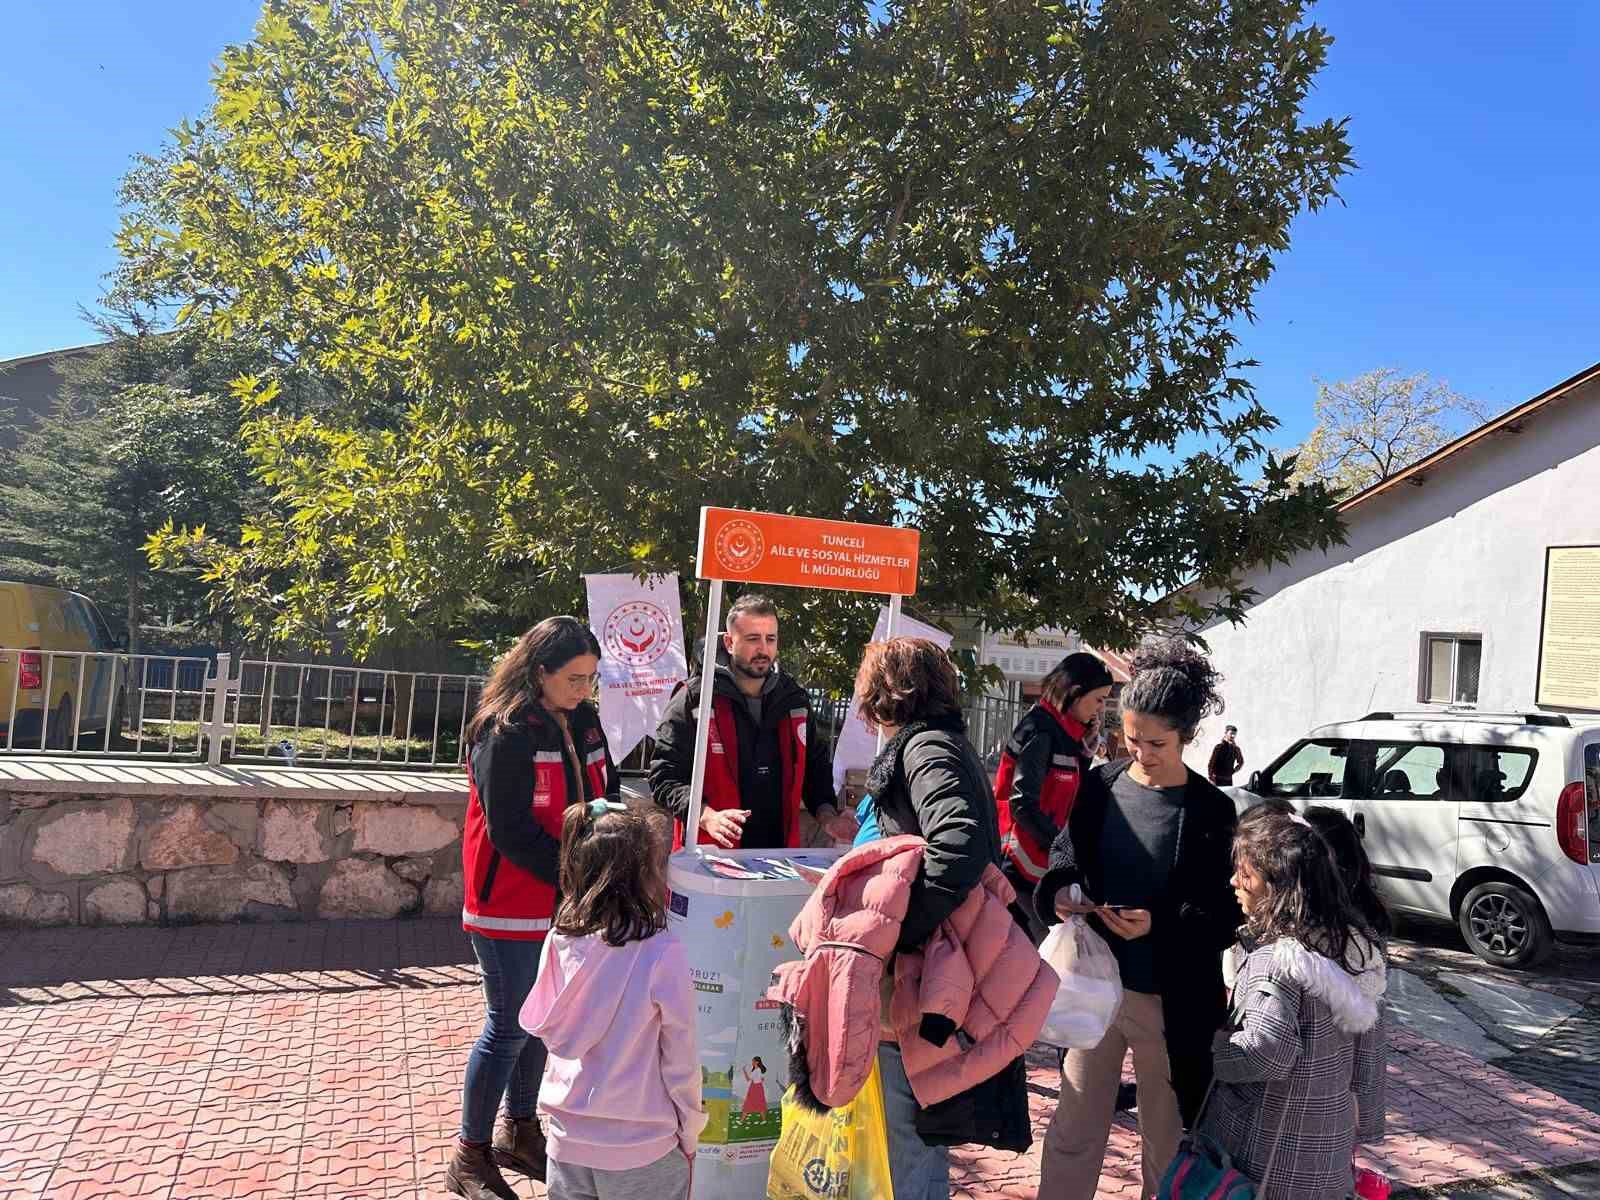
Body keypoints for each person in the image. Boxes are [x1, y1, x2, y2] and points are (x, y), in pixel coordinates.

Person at [1033, 638, 1241, 1200]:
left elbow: (1227, 912)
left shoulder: (1211, 810)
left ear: (1187, 737)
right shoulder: (1101, 787)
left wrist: (1163, 926)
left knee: (1167, 1142)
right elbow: (1064, 856)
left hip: (1170, 1002)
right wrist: (1058, 893)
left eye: (1157, 743)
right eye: (1131, 738)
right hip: (1096, 990)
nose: (1142, 753)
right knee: (1074, 1126)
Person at [449, 617, 619, 1200]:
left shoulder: (587, 721)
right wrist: (574, 873)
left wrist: (609, 849)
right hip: (509, 902)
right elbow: (510, 829)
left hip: (567, 899)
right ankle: (469, 1156)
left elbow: (606, 793)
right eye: (573, 679)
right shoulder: (506, 730)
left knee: (541, 1022)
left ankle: (522, 1130)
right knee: (506, 1028)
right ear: (539, 671)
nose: (583, 690)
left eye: (591, 679)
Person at [854, 637, 1026, 1199]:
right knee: (910, 1131)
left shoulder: (925, 749)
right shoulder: (936, 744)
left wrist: (897, 930)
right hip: (928, 971)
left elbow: (958, 844)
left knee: (910, 1133)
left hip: (919, 975)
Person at [1197, 806, 1386, 1200]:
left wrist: (1210, 1050)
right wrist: (1365, 1122)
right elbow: (1370, 1044)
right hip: (1326, 1145)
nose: (1233, 881)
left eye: (1244, 874)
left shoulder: (1276, 959)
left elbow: (1267, 1053)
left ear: (1275, 883)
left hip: (1266, 1151)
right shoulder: (1355, 944)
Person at [519, 801, 705, 1200]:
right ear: (644, 874)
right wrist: (690, 1130)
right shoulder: (661, 951)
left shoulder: (558, 941)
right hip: (643, 1145)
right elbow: (681, 1057)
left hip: (566, 1142)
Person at [650, 593, 854, 849]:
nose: (763, 649)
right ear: (729, 642)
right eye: (752, 639)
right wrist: (705, 816)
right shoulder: (695, 699)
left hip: (780, 857)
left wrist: (828, 816)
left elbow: (816, 770)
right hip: (709, 860)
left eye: (770, 639)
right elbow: (663, 776)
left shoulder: (794, 700)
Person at [993, 652, 1116, 941]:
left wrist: (1084, 752)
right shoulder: (1041, 731)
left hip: (1037, 864)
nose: (1100, 709)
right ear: (1075, 694)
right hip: (1019, 867)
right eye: (1098, 699)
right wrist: (1063, 849)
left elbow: (1066, 789)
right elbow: (1022, 803)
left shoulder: (1063, 733)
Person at [1303, 804, 1390, 1150]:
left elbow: (1367, 1035)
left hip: (1326, 1094)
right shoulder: (1363, 926)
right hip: (1333, 1096)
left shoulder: (1352, 940)